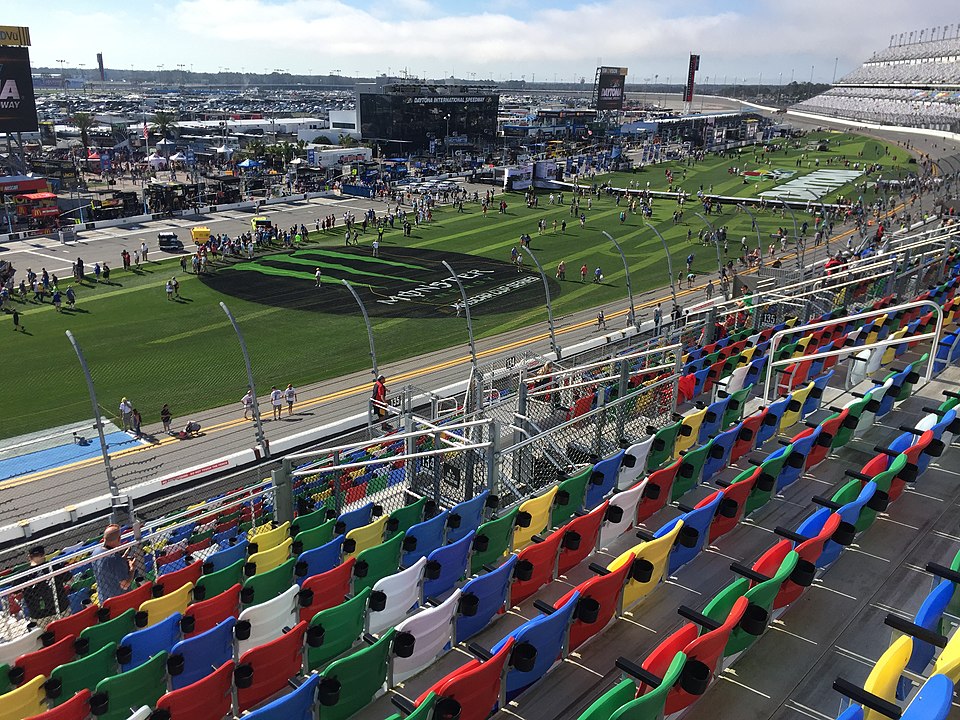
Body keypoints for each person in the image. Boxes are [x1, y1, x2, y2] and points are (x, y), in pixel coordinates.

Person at [21, 546, 68, 620]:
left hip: (39, 614)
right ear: (43, 555)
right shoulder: (54, 566)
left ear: (29, 557)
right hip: (60, 608)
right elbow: (68, 578)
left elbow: (15, 592)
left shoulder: (23, 574)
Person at [91, 525, 135, 602]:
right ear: (119, 539)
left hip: (104, 600)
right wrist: (132, 568)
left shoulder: (95, 552)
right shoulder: (115, 559)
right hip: (121, 600)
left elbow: (108, 567)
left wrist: (123, 559)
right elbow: (125, 585)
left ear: (104, 538)